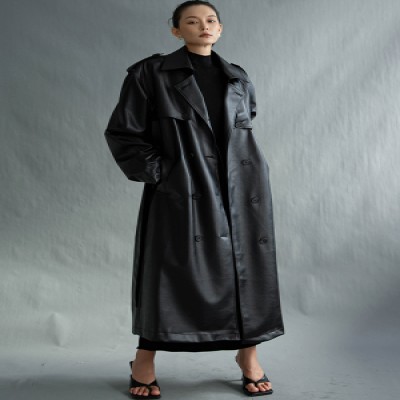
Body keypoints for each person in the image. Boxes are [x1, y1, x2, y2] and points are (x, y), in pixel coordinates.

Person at [104, 1, 284, 398]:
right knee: (168, 271)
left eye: (211, 20)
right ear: (176, 30)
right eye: (192, 21)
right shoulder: (150, 73)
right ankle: (144, 360)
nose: (204, 26)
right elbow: (123, 132)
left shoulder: (237, 76)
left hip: (242, 187)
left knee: (244, 270)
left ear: (219, 29)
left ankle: (248, 356)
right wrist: (164, 175)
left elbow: (245, 126)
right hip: (183, 186)